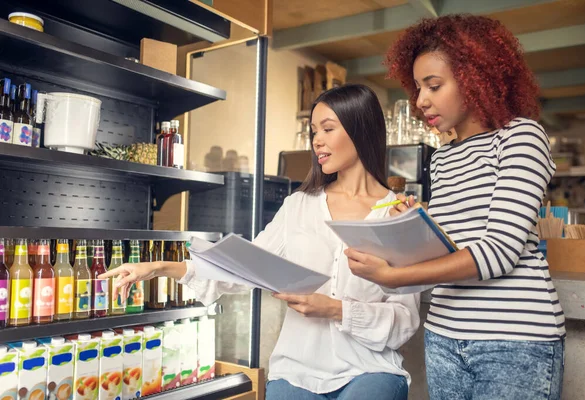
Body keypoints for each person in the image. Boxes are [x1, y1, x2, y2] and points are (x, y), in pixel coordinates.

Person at [101, 84, 419, 400]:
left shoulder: (396, 214)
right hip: (296, 371)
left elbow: (405, 320)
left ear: (360, 130)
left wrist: (337, 310)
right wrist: (159, 267)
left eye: (328, 128)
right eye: (313, 131)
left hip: (370, 369)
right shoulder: (299, 206)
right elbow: (246, 266)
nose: (317, 140)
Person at [345, 15, 565, 400]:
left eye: (434, 85)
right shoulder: (443, 158)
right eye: (417, 88)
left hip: (512, 341)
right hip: (444, 333)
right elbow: (451, 245)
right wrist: (413, 228)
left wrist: (397, 277)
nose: (421, 100)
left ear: (475, 77)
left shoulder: (521, 137)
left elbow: (498, 253)